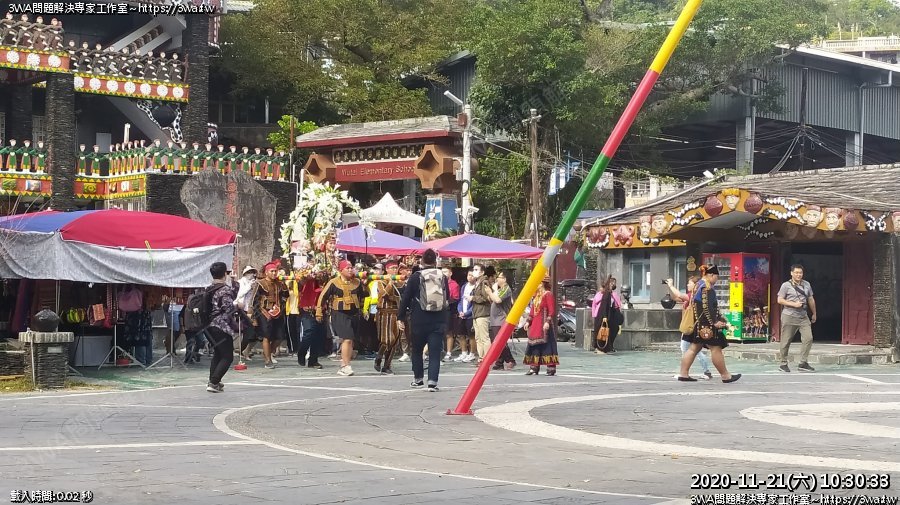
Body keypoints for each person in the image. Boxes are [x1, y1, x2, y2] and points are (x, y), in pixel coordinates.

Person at [677, 264, 741, 383]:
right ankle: (725, 376)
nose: (717, 279)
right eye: (716, 276)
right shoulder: (706, 287)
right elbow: (707, 307)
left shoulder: (698, 285)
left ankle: (683, 373)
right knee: (716, 348)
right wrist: (714, 322)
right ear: (710, 275)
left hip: (698, 323)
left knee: (693, 348)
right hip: (707, 325)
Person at [398, 248, 450, 392]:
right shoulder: (442, 277)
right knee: (434, 352)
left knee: (416, 350)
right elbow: (447, 296)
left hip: (419, 319)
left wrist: (400, 316)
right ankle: (432, 382)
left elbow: (406, 298)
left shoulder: (416, 277)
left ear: (422, 261)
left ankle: (418, 379)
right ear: (435, 261)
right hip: (438, 319)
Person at [317, 260, 366, 376]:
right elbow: (322, 296)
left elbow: (364, 295)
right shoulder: (333, 282)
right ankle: (345, 366)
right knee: (347, 338)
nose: (350, 270)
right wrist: (319, 311)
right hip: (339, 313)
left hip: (354, 313)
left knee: (350, 340)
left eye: (351, 268)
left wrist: (364, 284)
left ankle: (344, 363)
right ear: (341, 270)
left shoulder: (357, 282)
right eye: (347, 268)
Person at [666, 276, 712, 380]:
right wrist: (669, 288)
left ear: (695, 285)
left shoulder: (693, 296)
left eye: (689, 283)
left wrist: (671, 285)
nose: (687, 285)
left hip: (692, 327)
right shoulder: (690, 296)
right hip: (689, 327)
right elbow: (675, 297)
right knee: (693, 350)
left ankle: (686, 372)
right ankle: (697, 371)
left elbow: (679, 294)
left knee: (691, 350)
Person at [776, 264, 817, 373]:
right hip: (789, 316)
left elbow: (811, 299)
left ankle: (803, 362)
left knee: (808, 338)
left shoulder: (807, 284)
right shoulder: (786, 285)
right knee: (786, 340)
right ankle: (783, 363)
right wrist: (794, 304)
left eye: (800, 273)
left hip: (803, 316)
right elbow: (780, 300)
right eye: (796, 273)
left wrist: (814, 313)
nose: (799, 275)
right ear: (792, 273)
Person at [206, 261, 237, 393]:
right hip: (221, 326)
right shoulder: (224, 290)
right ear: (225, 273)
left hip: (209, 325)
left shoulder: (208, 288)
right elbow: (228, 308)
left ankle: (213, 381)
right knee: (227, 356)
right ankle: (214, 382)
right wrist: (238, 306)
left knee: (218, 354)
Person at [524, 277, 560, 376]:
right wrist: (528, 322)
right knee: (534, 345)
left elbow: (551, 310)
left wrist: (547, 322)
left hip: (544, 325)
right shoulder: (536, 296)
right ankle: (534, 367)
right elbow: (532, 311)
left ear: (543, 283)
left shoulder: (548, 294)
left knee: (547, 346)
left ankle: (551, 368)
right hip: (535, 325)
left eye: (538, 283)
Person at [374, 261, 405, 374]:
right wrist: (390, 283)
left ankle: (387, 366)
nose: (394, 270)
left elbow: (403, 296)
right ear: (387, 270)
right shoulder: (380, 281)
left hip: (397, 313)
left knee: (395, 341)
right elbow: (383, 294)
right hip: (385, 313)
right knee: (387, 339)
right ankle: (379, 356)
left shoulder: (400, 283)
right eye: (392, 268)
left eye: (396, 268)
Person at [255, 261, 287, 369]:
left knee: (280, 337)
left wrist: (281, 304)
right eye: (272, 271)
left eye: (275, 271)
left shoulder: (279, 283)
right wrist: (252, 313)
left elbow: (285, 295)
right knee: (266, 336)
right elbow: (254, 299)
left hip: (278, 312)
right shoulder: (260, 283)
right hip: (264, 312)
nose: (274, 273)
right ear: (266, 272)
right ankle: (268, 360)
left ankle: (268, 353)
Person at [488, 270, 516, 370]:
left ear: (504, 279)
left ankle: (509, 360)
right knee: (496, 341)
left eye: (499, 277)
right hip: (495, 319)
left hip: (501, 319)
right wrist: (491, 292)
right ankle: (499, 362)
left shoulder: (506, 289)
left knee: (499, 341)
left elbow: (498, 299)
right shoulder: (500, 289)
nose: (497, 279)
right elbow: (491, 298)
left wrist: (490, 292)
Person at [470, 264, 494, 364]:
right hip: (476, 312)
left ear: (482, 272)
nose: (474, 271)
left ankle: (487, 358)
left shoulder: (484, 282)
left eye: (476, 270)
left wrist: (473, 298)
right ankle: (481, 357)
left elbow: (486, 298)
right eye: (474, 269)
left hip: (483, 313)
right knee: (478, 338)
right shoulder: (477, 282)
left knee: (484, 337)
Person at [595, 275, 623, 354]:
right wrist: (604, 316)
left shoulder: (610, 294)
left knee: (609, 331)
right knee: (602, 332)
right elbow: (604, 306)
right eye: (611, 284)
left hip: (609, 315)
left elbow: (612, 305)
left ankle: (607, 348)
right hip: (603, 316)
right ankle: (600, 348)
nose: (613, 285)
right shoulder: (606, 294)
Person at [454, 270, 476, 363]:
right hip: (462, 314)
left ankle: (472, 353)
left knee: (471, 335)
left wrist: (467, 313)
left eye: (472, 275)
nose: (470, 277)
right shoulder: (464, 286)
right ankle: (464, 352)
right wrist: (460, 311)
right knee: (461, 334)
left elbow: (475, 304)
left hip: (470, 315)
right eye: (468, 275)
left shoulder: (476, 287)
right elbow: (460, 300)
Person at [442, 264, 461, 362]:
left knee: (449, 332)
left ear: (450, 273)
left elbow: (456, 298)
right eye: (442, 272)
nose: (444, 273)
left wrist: (447, 302)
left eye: (445, 272)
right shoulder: (438, 283)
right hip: (439, 310)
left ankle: (449, 352)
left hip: (449, 310)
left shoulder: (454, 284)